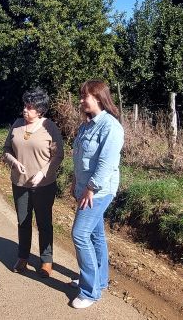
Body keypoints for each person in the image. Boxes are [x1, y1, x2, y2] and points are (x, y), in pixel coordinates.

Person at [69, 79, 124, 309]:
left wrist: (90, 188)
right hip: (85, 189)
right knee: (95, 235)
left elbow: (106, 163)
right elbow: (79, 156)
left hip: (98, 191)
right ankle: (99, 281)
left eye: (85, 97)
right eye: (81, 97)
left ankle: (90, 291)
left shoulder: (111, 127)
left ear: (99, 98)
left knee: (79, 234)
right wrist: (75, 181)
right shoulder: (86, 125)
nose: (81, 101)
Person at [2, 88, 63, 278]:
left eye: (30, 107)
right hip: (19, 183)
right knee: (23, 221)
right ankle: (23, 257)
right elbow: (6, 149)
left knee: (44, 223)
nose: (25, 110)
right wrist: (13, 162)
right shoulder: (17, 124)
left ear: (40, 110)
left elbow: (58, 155)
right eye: (25, 106)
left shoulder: (49, 127)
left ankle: (46, 260)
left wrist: (43, 173)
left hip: (44, 186)